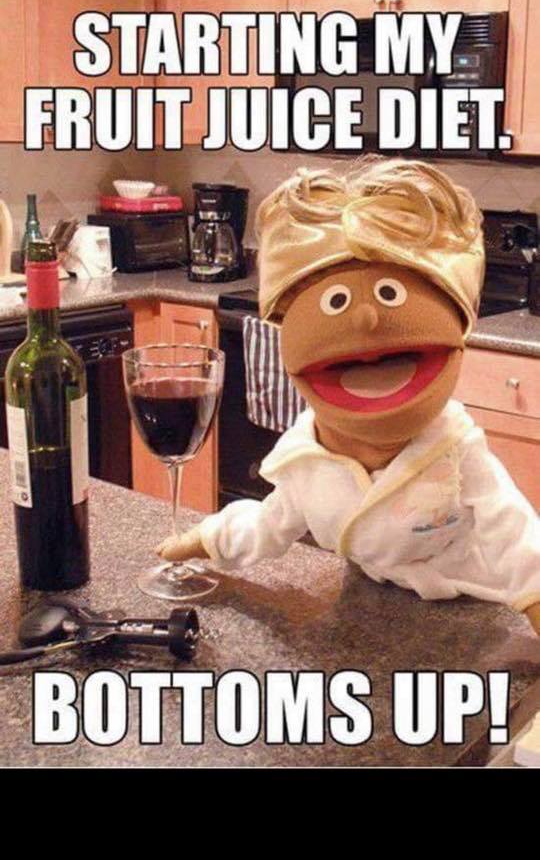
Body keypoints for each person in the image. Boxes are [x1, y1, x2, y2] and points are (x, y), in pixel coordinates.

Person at [157, 158, 540, 634]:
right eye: (337, 301)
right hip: (365, 598)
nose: (366, 319)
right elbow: (268, 525)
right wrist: (204, 540)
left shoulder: (455, 447)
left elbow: (511, 528)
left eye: (388, 295)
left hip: (464, 602)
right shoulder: (307, 459)